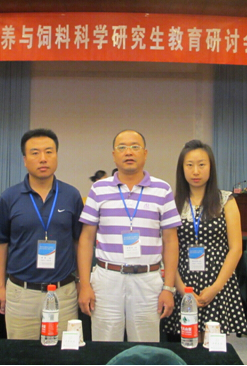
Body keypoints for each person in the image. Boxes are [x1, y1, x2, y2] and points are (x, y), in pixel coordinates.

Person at [77, 129, 181, 342]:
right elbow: (86, 239)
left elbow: (171, 241)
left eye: (135, 147)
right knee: (104, 346)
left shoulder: (163, 190)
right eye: (122, 147)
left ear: (145, 153)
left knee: (145, 348)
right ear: (114, 155)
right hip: (107, 279)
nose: (129, 152)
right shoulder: (98, 189)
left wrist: (168, 288)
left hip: (148, 280)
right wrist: (85, 284)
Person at [0, 128, 84, 340]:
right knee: (22, 354)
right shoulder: (9, 197)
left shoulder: (71, 195)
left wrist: (81, 281)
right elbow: (0, 244)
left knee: (64, 353)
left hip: (63, 292)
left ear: (56, 156)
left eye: (49, 152)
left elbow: (80, 242)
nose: (43, 158)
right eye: (35, 153)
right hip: (21, 293)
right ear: (25, 160)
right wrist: (0, 287)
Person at [162, 140, 247, 341]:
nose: (196, 171)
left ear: (211, 167)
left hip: (218, 281)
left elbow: (236, 249)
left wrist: (215, 288)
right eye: (189, 165)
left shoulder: (226, 201)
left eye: (202, 164)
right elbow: (167, 249)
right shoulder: (172, 203)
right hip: (182, 281)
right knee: (184, 344)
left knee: (212, 347)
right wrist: (181, 289)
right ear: (182, 169)